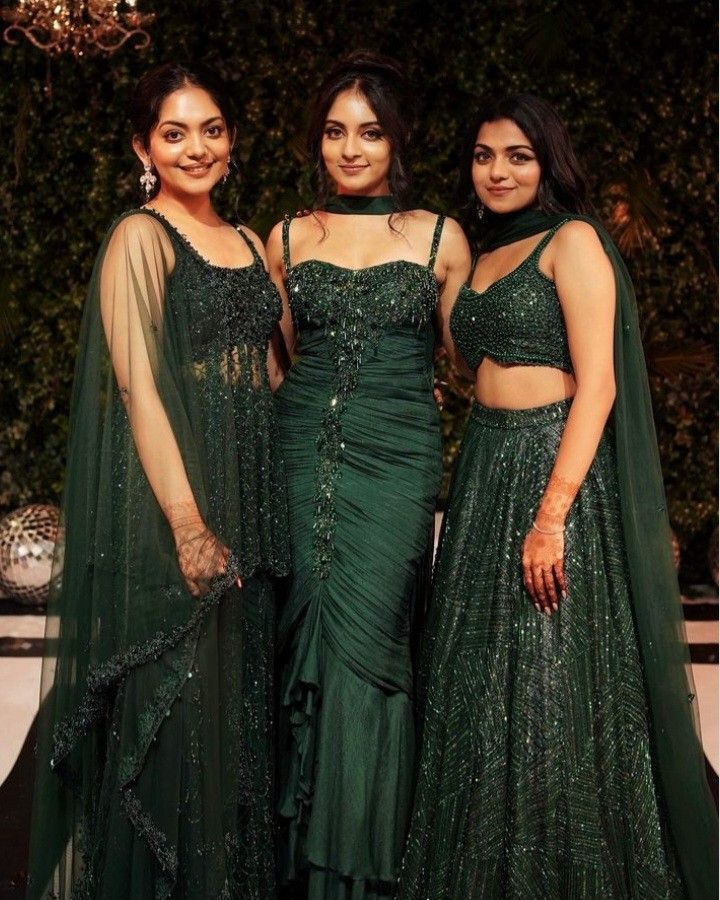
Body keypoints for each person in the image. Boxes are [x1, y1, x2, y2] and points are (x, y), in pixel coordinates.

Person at [399, 94, 718, 900]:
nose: (498, 170)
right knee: (472, 682)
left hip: (550, 469)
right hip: (483, 470)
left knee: (547, 681)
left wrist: (551, 518)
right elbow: (462, 360)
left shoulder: (573, 241)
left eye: (517, 155)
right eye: (483, 155)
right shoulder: (481, 253)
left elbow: (600, 384)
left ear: (548, 162)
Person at [26, 62, 289, 899]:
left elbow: (275, 378)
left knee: (243, 723)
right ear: (143, 147)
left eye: (211, 129)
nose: (196, 147)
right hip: (180, 500)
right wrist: (186, 523)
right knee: (185, 723)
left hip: (254, 491)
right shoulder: (140, 237)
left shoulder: (251, 243)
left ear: (232, 138)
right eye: (174, 133)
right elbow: (139, 382)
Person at [266, 51, 470, 899]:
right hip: (301, 452)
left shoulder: (436, 235)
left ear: (397, 141)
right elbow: (276, 360)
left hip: (397, 463)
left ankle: (370, 864)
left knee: (377, 643)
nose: (352, 149)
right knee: (303, 631)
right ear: (319, 140)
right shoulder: (285, 235)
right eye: (337, 132)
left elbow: (466, 361)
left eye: (371, 133)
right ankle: (303, 868)